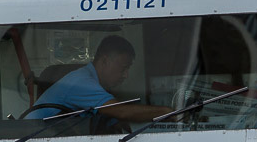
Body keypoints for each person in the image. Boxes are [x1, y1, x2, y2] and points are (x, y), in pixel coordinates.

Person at [23, 35, 172, 123]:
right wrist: (168, 112)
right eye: (123, 68)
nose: (126, 75)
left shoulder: (88, 80)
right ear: (105, 61)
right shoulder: (82, 83)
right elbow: (121, 111)